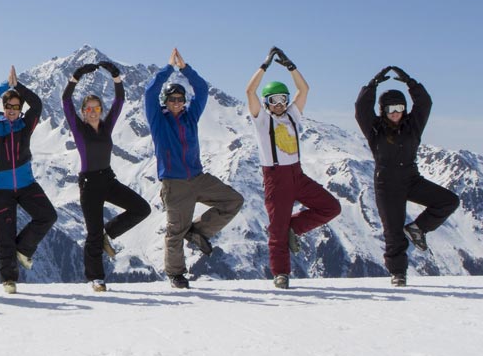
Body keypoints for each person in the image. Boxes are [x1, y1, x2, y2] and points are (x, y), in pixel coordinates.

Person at [144, 48, 244, 289]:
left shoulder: (191, 117)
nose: (177, 103)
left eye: (180, 99)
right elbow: (149, 92)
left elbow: (202, 90)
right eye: (172, 99)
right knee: (175, 231)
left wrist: (185, 69)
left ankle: (198, 232)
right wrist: (168, 69)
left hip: (198, 177)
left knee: (233, 201)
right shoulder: (158, 121)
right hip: (175, 183)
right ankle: (176, 274)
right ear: (165, 102)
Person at [355, 65, 460, 286]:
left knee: (448, 201)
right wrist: (372, 85)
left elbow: (425, 103)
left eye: (400, 106)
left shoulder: (413, 126)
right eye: (391, 108)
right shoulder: (374, 129)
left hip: (412, 179)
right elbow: (361, 108)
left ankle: (418, 228)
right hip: (386, 184)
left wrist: (411, 83)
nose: (396, 112)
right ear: (383, 110)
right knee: (393, 233)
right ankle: (398, 273)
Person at [245, 47, 341, 289]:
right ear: (266, 103)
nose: (279, 104)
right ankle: (281, 274)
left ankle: (293, 228)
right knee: (276, 230)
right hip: (276, 178)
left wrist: (290, 66)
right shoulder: (262, 120)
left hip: (297, 174)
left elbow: (304, 89)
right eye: (273, 100)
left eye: (283, 99)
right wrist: (264, 65)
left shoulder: (292, 116)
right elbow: (249, 91)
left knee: (331, 207)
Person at [61, 61, 150, 292]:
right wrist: (75, 77)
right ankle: (96, 279)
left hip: (108, 180)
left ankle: (107, 233)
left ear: (101, 110)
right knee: (92, 234)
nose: (92, 112)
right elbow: (65, 101)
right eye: (88, 109)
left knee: (141, 208)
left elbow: (119, 102)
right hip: (89, 184)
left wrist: (116, 77)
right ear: (83, 112)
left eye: (96, 108)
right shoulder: (79, 129)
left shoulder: (106, 126)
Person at [0, 66, 58, 294]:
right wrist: (6, 86)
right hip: (0, 189)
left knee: (47, 216)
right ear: (3, 107)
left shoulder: (26, 125)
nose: (12, 110)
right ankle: (8, 280)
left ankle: (24, 249)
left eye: (16, 106)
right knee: (3, 237)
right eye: (8, 106)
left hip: (26, 185)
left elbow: (38, 105)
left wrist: (19, 87)